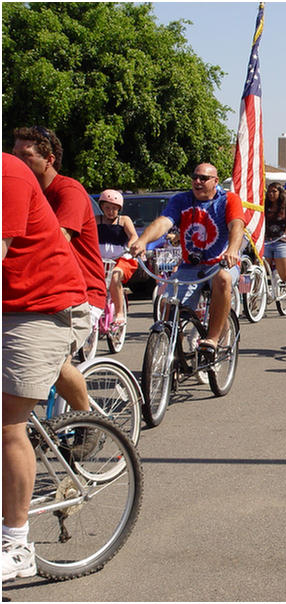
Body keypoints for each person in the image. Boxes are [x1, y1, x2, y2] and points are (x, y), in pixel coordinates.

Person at [2, 153, 92, 582]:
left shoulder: (8, 175)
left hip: (46, 305)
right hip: (9, 305)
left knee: (6, 421)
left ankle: (16, 544)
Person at [12, 126, 102, 413]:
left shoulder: (68, 190)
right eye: (14, 154)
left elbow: (58, 240)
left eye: (25, 156)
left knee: (51, 360)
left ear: (49, 159)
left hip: (81, 294)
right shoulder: (21, 190)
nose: (17, 161)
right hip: (37, 293)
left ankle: (86, 417)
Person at [130, 163, 245, 356]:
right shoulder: (181, 200)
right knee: (170, 306)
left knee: (223, 279)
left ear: (215, 181)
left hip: (221, 264)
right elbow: (164, 222)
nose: (197, 181)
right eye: (194, 177)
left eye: (203, 178)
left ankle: (213, 340)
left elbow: (237, 226)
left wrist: (232, 250)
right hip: (190, 266)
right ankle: (173, 356)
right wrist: (142, 241)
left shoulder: (228, 200)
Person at [95, 189, 138, 326]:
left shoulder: (124, 220)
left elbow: (133, 236)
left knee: (115, 276)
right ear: (101, 207)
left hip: (121, 258)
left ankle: (119, 313)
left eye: (114, 208)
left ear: (119, 208)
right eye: (107, 208)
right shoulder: (96, 220)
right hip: (100, 259)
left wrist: (132, 244)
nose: (110, 211)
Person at [262, 181, 286, 316]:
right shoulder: (265, 205)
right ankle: (254, 302)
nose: (271, 194)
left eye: (274, 191)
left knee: (285, 274)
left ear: (280, 192)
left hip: (282, 241)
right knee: (260, 270)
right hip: (267, 240)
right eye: (269, 191)